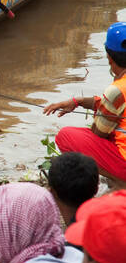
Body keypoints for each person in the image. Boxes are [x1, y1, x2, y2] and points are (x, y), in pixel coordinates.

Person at [46, 22, 126, 182]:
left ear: (110, 58)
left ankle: (121, 183)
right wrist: (80, 101)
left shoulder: (118, 89)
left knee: (65, 136)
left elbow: (99, 132)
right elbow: (114, 106)